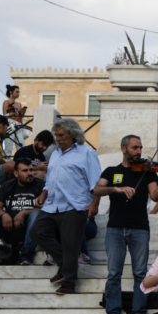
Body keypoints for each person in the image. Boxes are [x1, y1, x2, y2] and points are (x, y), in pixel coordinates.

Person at [92, 135, 158, 314]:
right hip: (115, 228)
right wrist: (117, 189)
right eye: (134, 148)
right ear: (123, 149)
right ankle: (113, 313)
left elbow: (156, 196)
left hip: (139, 228)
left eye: (140, 148)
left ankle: (139, 313)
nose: (139, 151)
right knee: (113, 273)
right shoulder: (111, 171)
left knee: (140, 272)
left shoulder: (148, 172)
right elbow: (97, 190)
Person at [28, 118, 101, 295]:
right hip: (52, 204)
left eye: (61, 135)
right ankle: (64, 262)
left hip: (75, 205)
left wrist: (94, 204)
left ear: (73, 135)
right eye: (56, 135)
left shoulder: (86, 153)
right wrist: (44, 194)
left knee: (71, 244)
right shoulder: (55, 153)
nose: (57, 138)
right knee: (36, 231)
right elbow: (51, 178)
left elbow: (97, 182)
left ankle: (69, 282)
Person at [0, 160, 43, 265]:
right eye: (25, 170)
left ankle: (26, 253)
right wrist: (4, 214)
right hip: (7, 227)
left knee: (36, 214)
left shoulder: (41, 185)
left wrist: (24, 212)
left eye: (31, 170)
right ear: (16, 173)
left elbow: (46, 208)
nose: (29, 173)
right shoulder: (7, 185)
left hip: (28, 228)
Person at [2, 85, 29, 151]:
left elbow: (20, 116)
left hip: (18, 125)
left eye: (18, 92)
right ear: (11, 92)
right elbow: (5, 115)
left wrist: (23, 112)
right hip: (10, 124)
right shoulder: (6, 102)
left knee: (21, 145)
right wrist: (16, 112)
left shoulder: (19, 104)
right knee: (9, 145)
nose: (18, 94)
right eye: (17, 92)